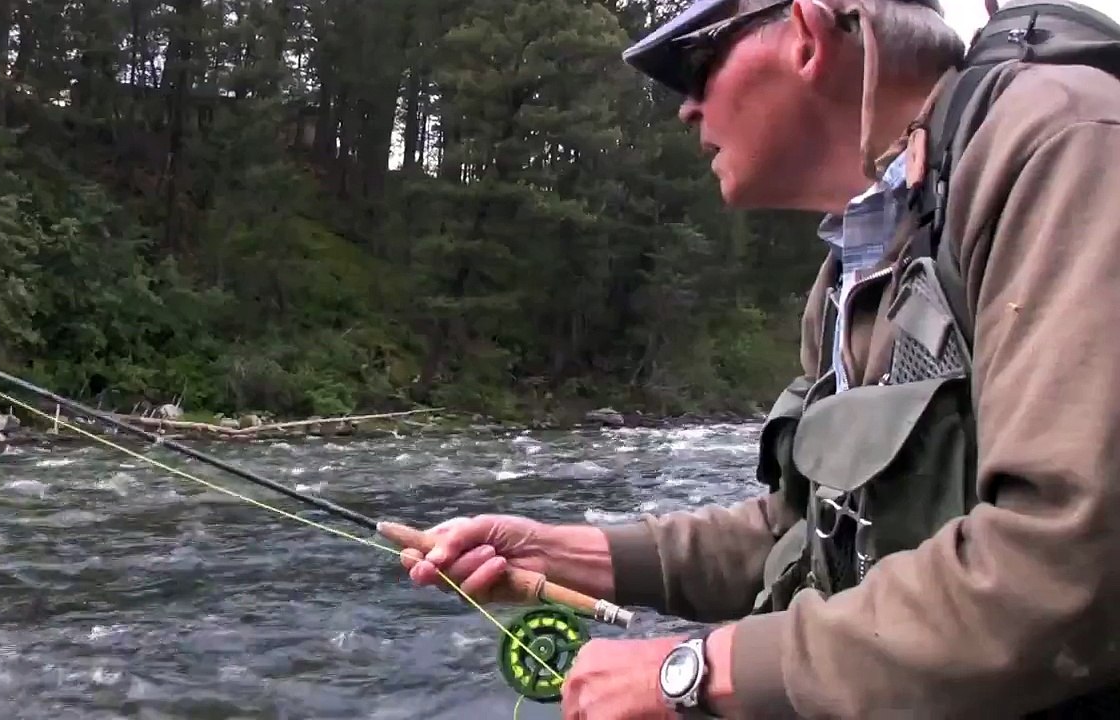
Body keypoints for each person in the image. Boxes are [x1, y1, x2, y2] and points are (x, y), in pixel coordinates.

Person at [400, 0, 1120, 717]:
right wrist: (567, 554)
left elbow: (1069, 566)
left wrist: (689, 673)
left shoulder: (1063, 143)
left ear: (806, 37)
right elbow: (803, 531)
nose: (686, 110)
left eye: (696, 67)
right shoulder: (850, 273)